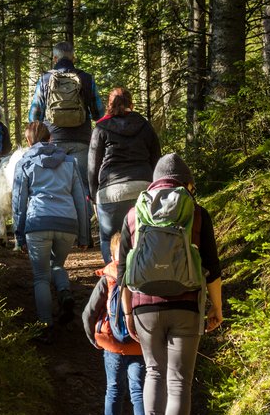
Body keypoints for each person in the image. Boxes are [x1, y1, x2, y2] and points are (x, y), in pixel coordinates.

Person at [117, 153, 224, 415]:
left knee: (153, 371)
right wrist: (217, 308)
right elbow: (213, 270)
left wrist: (127, 312)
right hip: (187, 304)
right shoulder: (198, 214)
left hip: (144, 304)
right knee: (179, 381)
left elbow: (123, 272)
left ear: (154, 182)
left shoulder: (135, 214)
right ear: (187, 184)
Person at [12, 121, 88, 342]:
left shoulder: (25, 162)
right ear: (50, 139)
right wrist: (84, 235)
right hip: (67, 223)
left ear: (28, 141)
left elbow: (19, 202)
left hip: (38, 223)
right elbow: (80, 200)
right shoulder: (70, 161)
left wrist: (19, 235)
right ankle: (64, 293)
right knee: (57, 264)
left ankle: (46, 327)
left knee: (41, 277)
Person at [28, 41, 103, 246]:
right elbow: (99, 112)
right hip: (81, 141)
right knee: (83, 190)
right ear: (73, 57)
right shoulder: (86, 79)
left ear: (54, 58)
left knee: (55, 188)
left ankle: (57, 237)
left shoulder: (44, 79)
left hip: (53, 142)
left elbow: (33, 114)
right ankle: (85, 239)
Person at [81, 232, 146, 415]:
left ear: (112, 253)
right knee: (139, 392)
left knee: (114, 390)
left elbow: (88, 313)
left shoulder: (107, 277)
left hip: (111, 343)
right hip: (139, 344)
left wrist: (94, 339)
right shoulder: (143, 273)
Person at [88, 87, 161, 264]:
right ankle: (140, 282)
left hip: (110, 191)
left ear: (109, 105)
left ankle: (115, 282)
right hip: (142, 188)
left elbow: (92, 167)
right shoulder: (144, 125)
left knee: (108, 239)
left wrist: (93, 196)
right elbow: (156, 159)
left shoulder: (101, 127)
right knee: (142, 239)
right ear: (131, 103)